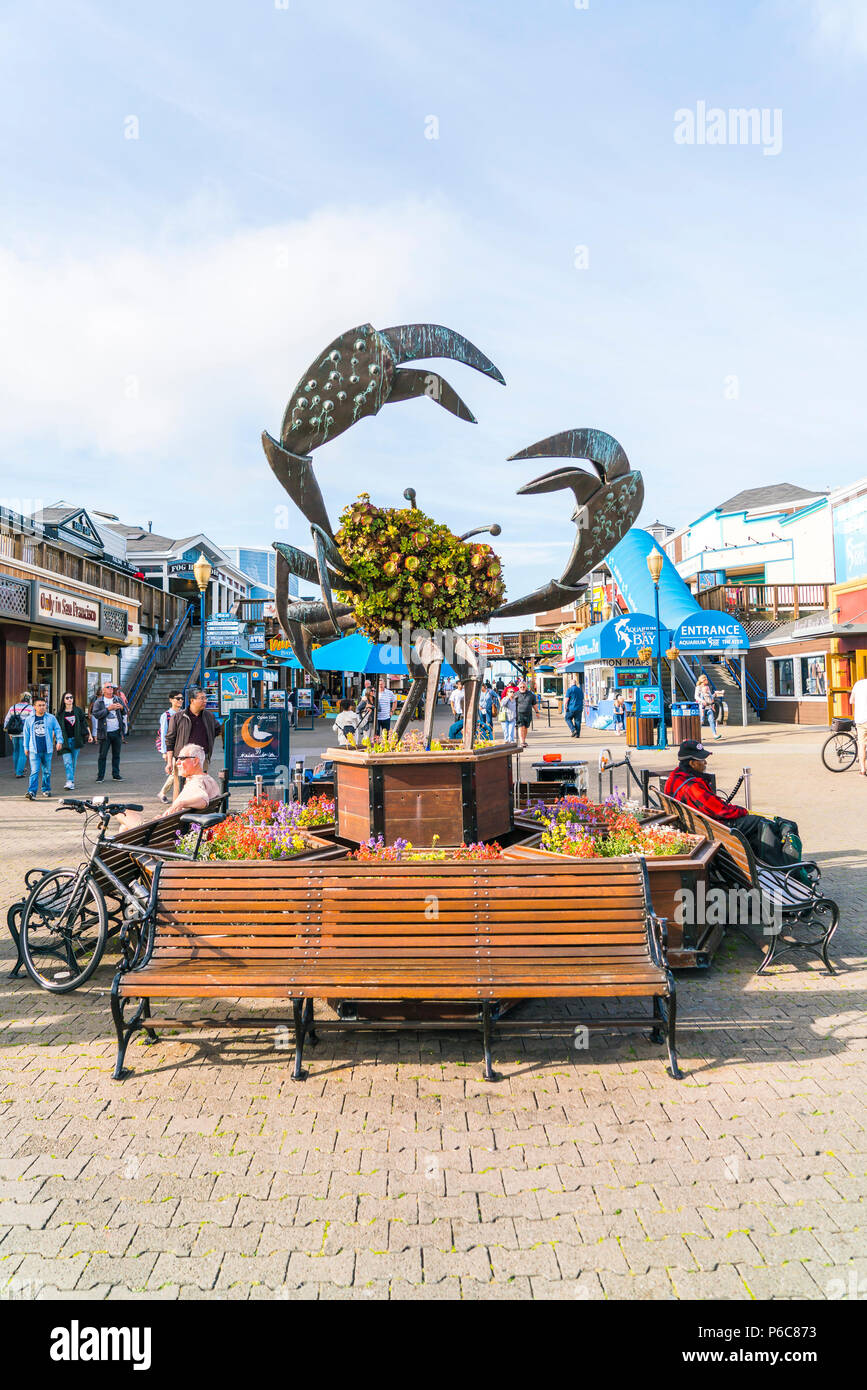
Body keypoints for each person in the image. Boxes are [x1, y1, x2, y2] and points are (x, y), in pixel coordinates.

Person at [664, 740, 800, 866]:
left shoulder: (675, 777)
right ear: (692, 763)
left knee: (754, 823)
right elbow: (721, 811)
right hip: (715, 829)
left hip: (701, 825)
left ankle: (770, 860)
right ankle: (781, 865)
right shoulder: (692, 786)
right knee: (760, 823)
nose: (705, 763)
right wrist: (742, 811)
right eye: (702, 760)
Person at [166, 687, 218, 780]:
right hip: (183, 760)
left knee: (200, 787)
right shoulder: (178, 717)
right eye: (202, 698)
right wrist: (169, 762)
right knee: (181, 790)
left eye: (205, 698)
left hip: (202, 759)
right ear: (192, 700)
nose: (205, 701)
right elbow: (170, 740)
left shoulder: (209, 716)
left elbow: (217, 731)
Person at [22, 696, 63, 800]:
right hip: (34, 750)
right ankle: (32, 792)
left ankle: (46, 789)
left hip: (47, 749)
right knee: (34, 771)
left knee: (47, 771)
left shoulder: (51, 718)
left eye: (44, 705)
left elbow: (58, 729)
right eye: (39, 705)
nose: (42, 707)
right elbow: (26, 734)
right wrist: (26, 747)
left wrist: (59, 741)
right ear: (34, 707)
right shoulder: (29, 719)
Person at [92, 682, 127, 782]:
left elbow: (125, 711)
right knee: (102, 755)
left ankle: (116, 775)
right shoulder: (99, 701)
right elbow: (96, 714)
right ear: (103, 690)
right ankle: (100, 776)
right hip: (105, 732)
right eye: (108, 687)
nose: (111, 688)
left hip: (117, 731)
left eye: (112, 687)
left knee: (116, 755)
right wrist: (108, 709)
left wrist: (121, 708)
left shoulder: (117, 699)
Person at [58, 691, 93, 789]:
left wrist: (90, 735)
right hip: (65, 740)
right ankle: (69, 781)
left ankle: (71, 781)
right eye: (67, 698)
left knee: (73, 762)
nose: (70, 699)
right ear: (64, 700)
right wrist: (55, 740)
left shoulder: (78, 710)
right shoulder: (60, 713)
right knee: (67, 762)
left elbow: (84, 723)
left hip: (76, 739)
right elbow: (56, 728)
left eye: (71, 697)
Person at [157, 690, 183, 803]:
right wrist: (165, 751)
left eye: (182, 698)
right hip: (171, 748)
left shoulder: (183, 713)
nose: (180, 700)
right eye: (178, 698)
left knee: (178, 771)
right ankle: (162, 792)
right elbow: (164, 734)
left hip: (182, 747)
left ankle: (166, 793)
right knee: (174, 772)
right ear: (171, 700)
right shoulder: (166, 715)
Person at [4, 690, 34, 777]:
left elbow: (7, 720)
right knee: (23, 752)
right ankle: (19, 772)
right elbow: (32, 721)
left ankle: (17, 769)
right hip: (24, 734)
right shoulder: (30, 708)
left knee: (16, 751)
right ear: (29, 699)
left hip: (13, 733)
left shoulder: (12, 707)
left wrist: (8, 732)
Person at [695, 673, 721, 739]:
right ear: (703, 680)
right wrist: (702, 701)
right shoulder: (698, 688)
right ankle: (698, 736)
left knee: (711, 720)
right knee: (701, 721)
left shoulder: (707, 687)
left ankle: (715, 735)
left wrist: (714, 694)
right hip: (702, 707)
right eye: (705, 679)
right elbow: (696, 697)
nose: (707, 680)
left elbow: (709, 697)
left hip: (709, 706)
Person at [851, 673, 867, 776]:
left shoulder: (857, 684)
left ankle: (862, 769)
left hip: (860, 719)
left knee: (862, 745)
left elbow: (851, 701)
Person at [514, 679, 536, 750]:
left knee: (526, 727)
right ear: (519, 687)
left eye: (524, 687)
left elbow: (534, 704)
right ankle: (522, 741)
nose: (522, 688)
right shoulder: (516, 694)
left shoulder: (531, 694)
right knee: (521, 727)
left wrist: (537, 712)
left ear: (526, 687)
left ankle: (524, 740)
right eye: (521, 687)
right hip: (519, 713)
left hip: (528, 713)